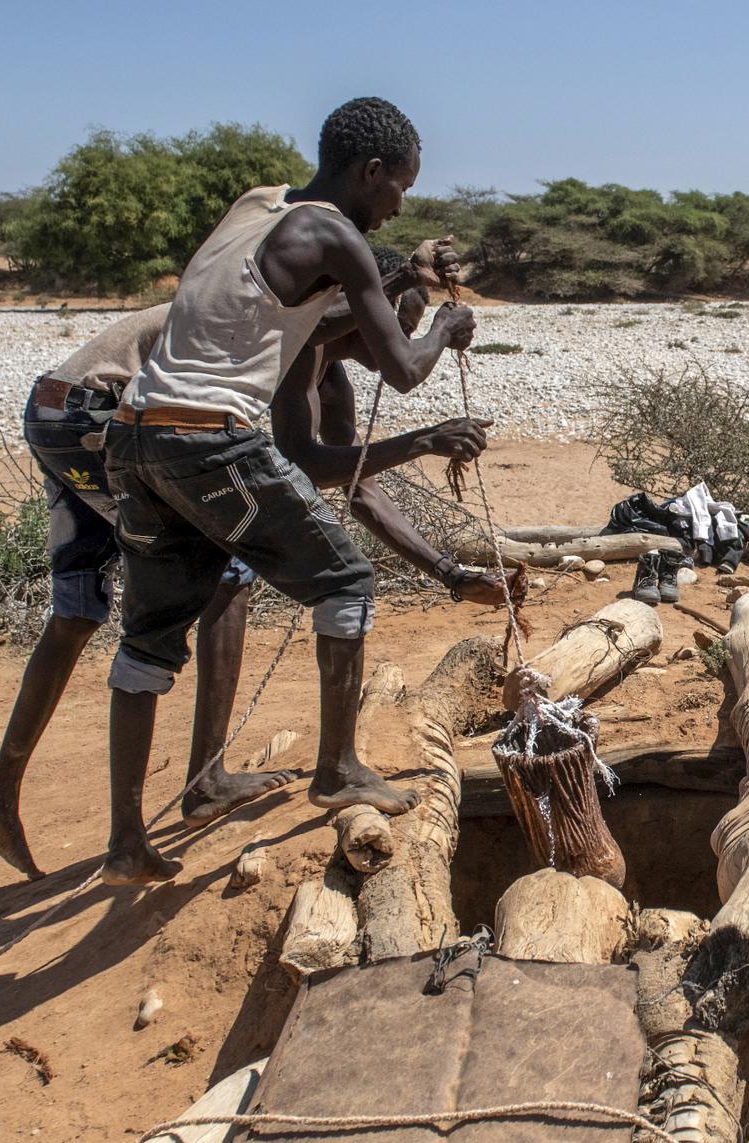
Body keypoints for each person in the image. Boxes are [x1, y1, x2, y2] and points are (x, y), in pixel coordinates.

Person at [0, 245, 502, 881]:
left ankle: (0, 794)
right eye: (391, 321)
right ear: (353, 303)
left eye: (404, 329)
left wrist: (448, 573)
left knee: (80, 611)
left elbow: (352, 483)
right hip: (97, 413)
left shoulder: (322, 368)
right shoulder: (297, 327)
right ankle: (201, 783)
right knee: (224, 572)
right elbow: (317, 465)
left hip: (62, 410)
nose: (392, 341)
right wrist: (423, 430)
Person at [100, 97, 483, 885]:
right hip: (209, 435)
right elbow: (404, 370)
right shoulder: (338, 233)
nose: (398, 206)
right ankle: (337, 766)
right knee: (344, 579)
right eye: (398, 188)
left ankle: (124, 840)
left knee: (146, 638)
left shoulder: (259, 206)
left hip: (136, 431)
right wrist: (445, 326)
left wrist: (407, 278)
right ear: (370, 172)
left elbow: (320, 312)